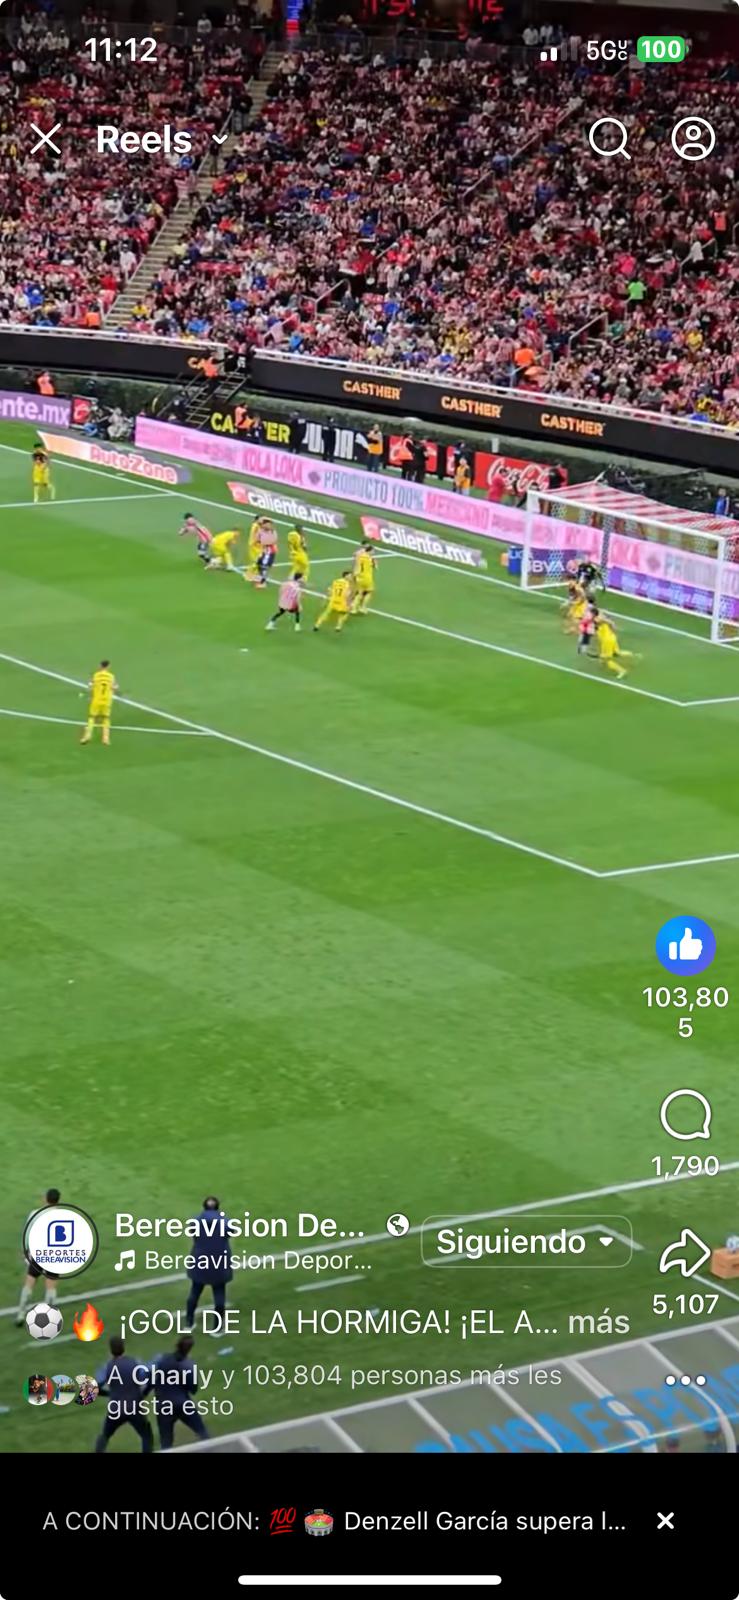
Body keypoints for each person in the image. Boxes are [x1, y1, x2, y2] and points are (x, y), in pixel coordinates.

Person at [95, 1336, 153, 1453]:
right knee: (146, 1435)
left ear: (110, 1350)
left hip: (116, 1408)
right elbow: (149, 1376)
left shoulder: (106, 1367)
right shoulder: (135, 1363)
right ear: (123, 1348)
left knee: (105, 1436)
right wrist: (143, 1394)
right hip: (134, 1408)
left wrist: (109, 1394)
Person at [151, 1334, 210, 1451]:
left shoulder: (163, 1359)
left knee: (166, 1443)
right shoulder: (187, 1365)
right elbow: (193, 1389)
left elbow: (151, 1379)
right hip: (182, 1403)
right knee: (202, 1432)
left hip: (163, 1406)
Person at [185, 1196, 234, 1331]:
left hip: (200, 1261)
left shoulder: (195, 1221)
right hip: (219, 1263)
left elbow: (193, 1232)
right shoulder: (224, 1222)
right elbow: (230, 1231)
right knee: (219, 1296)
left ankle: (189, 1323)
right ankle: (217, 1328)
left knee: (194, 1292)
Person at [15, 1187, 61, 1326]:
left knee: (30, 1281)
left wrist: (26, 1252)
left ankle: (21, 1314)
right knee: (51, 1286)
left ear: (45, 1199)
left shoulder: (35, 1214)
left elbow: (28, 1234)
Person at [80, 660, 118, 747]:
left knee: (91, 718)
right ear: (108, 666)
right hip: (107, 701)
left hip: (96, 700)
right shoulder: (111, 676)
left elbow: (90, 686)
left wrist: (91, 693)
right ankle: (106, 739)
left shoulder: (96, 675)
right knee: (106, 718)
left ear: (100, 666)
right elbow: (115, 687)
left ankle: (87, 737)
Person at [597, 615, 637, 680]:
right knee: (617, 653)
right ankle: (633, 655)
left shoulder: (599, 620)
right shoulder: (601, 621)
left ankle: (622, 671)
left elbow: (605, 621)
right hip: (612, 638)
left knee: (607, 660)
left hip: (607, 641)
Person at [351, 542, 376, 615]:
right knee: (369, 592)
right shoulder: (371, 559)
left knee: (359, 593)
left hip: (359, 577)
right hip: (367, 578)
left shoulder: (360, 557)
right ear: (369, 551)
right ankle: (363, 607)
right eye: (373, 551)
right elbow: (376, 567)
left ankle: (354, 609)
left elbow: (357, 566)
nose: (374, 552)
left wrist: (355, 575)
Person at [255, 519, 278, 588]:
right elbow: (257, 540)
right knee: (258, 564)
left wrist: (264, 542)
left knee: (264, 566)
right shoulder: (260, 531)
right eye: (267, 524)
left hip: (270, 551)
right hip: (264, 550)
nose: (269, 526)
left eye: (270, 524)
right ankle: (262, 577)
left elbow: (274, 541)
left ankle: (263, 582)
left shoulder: (273, 531)